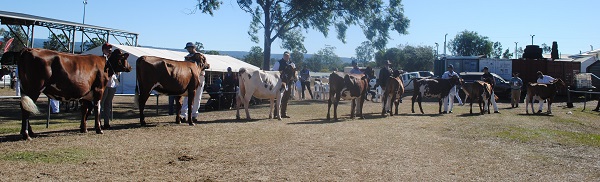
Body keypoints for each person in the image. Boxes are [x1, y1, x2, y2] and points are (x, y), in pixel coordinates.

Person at [179, 42, 206, 122]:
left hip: (200, 77)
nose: (188, 49)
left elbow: (204, 66)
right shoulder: (187, 57)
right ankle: (183, 115)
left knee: (197, 97)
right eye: (187, 48)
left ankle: (194, 115)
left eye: (190, 48)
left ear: (193, 47)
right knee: (187, 97)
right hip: (189, 78)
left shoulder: (200, 56)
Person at [100, 43, 119, 128]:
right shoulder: (101, 59)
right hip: (104, 85)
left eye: (110, 49)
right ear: (103, 50)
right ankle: (98, 122)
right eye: (108, 49)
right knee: (100, 104)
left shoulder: (114, 59)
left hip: (112, 85)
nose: (109, 51)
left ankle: (106, 123)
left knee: (107, 105)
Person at [271, 51, 293, 118]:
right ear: (283, 56)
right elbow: (274, 72)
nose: (286, 57)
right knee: (279, 98)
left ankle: (284, 113)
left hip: (289, 83)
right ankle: (276, 113)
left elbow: (294, 72)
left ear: (289, 56)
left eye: (287, 55)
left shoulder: (292, 64)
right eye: (285, 55)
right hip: (280, 83)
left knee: (286, 98)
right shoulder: (278, 63)